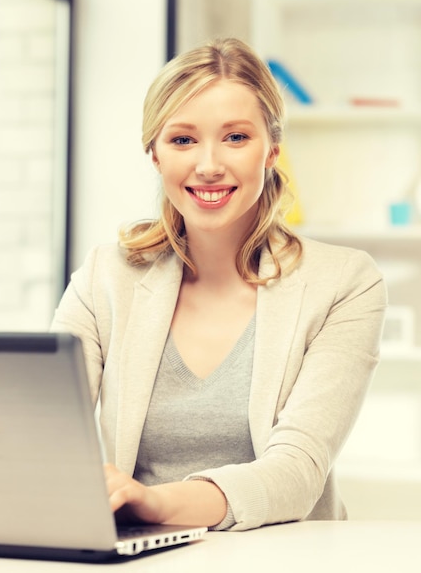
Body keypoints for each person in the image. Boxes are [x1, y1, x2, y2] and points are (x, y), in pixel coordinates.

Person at [50, 37, 387, 531]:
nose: (208, 165)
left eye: (235, 137)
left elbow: (297, 472)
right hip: (138, 554)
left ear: (271, 150)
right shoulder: (106, 276)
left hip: (285, 556)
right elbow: (44, 427)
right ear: (156, 155)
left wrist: (155, 501)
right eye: (183, 139)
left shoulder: (344, 283)